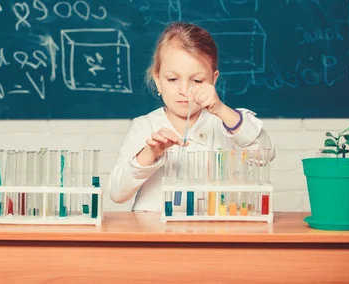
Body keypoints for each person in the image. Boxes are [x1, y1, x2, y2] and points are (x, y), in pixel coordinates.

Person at [107, 22, 276, 212]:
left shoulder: (223, 121)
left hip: (210, 232)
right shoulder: (145, 126)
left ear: (213, 80)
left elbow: (265, 153)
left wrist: (221, 110)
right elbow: (117, 193)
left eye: (196, 80)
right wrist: (150, 153)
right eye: (172, 79)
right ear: (158, 80)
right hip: (154, 233)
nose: (184, 90)